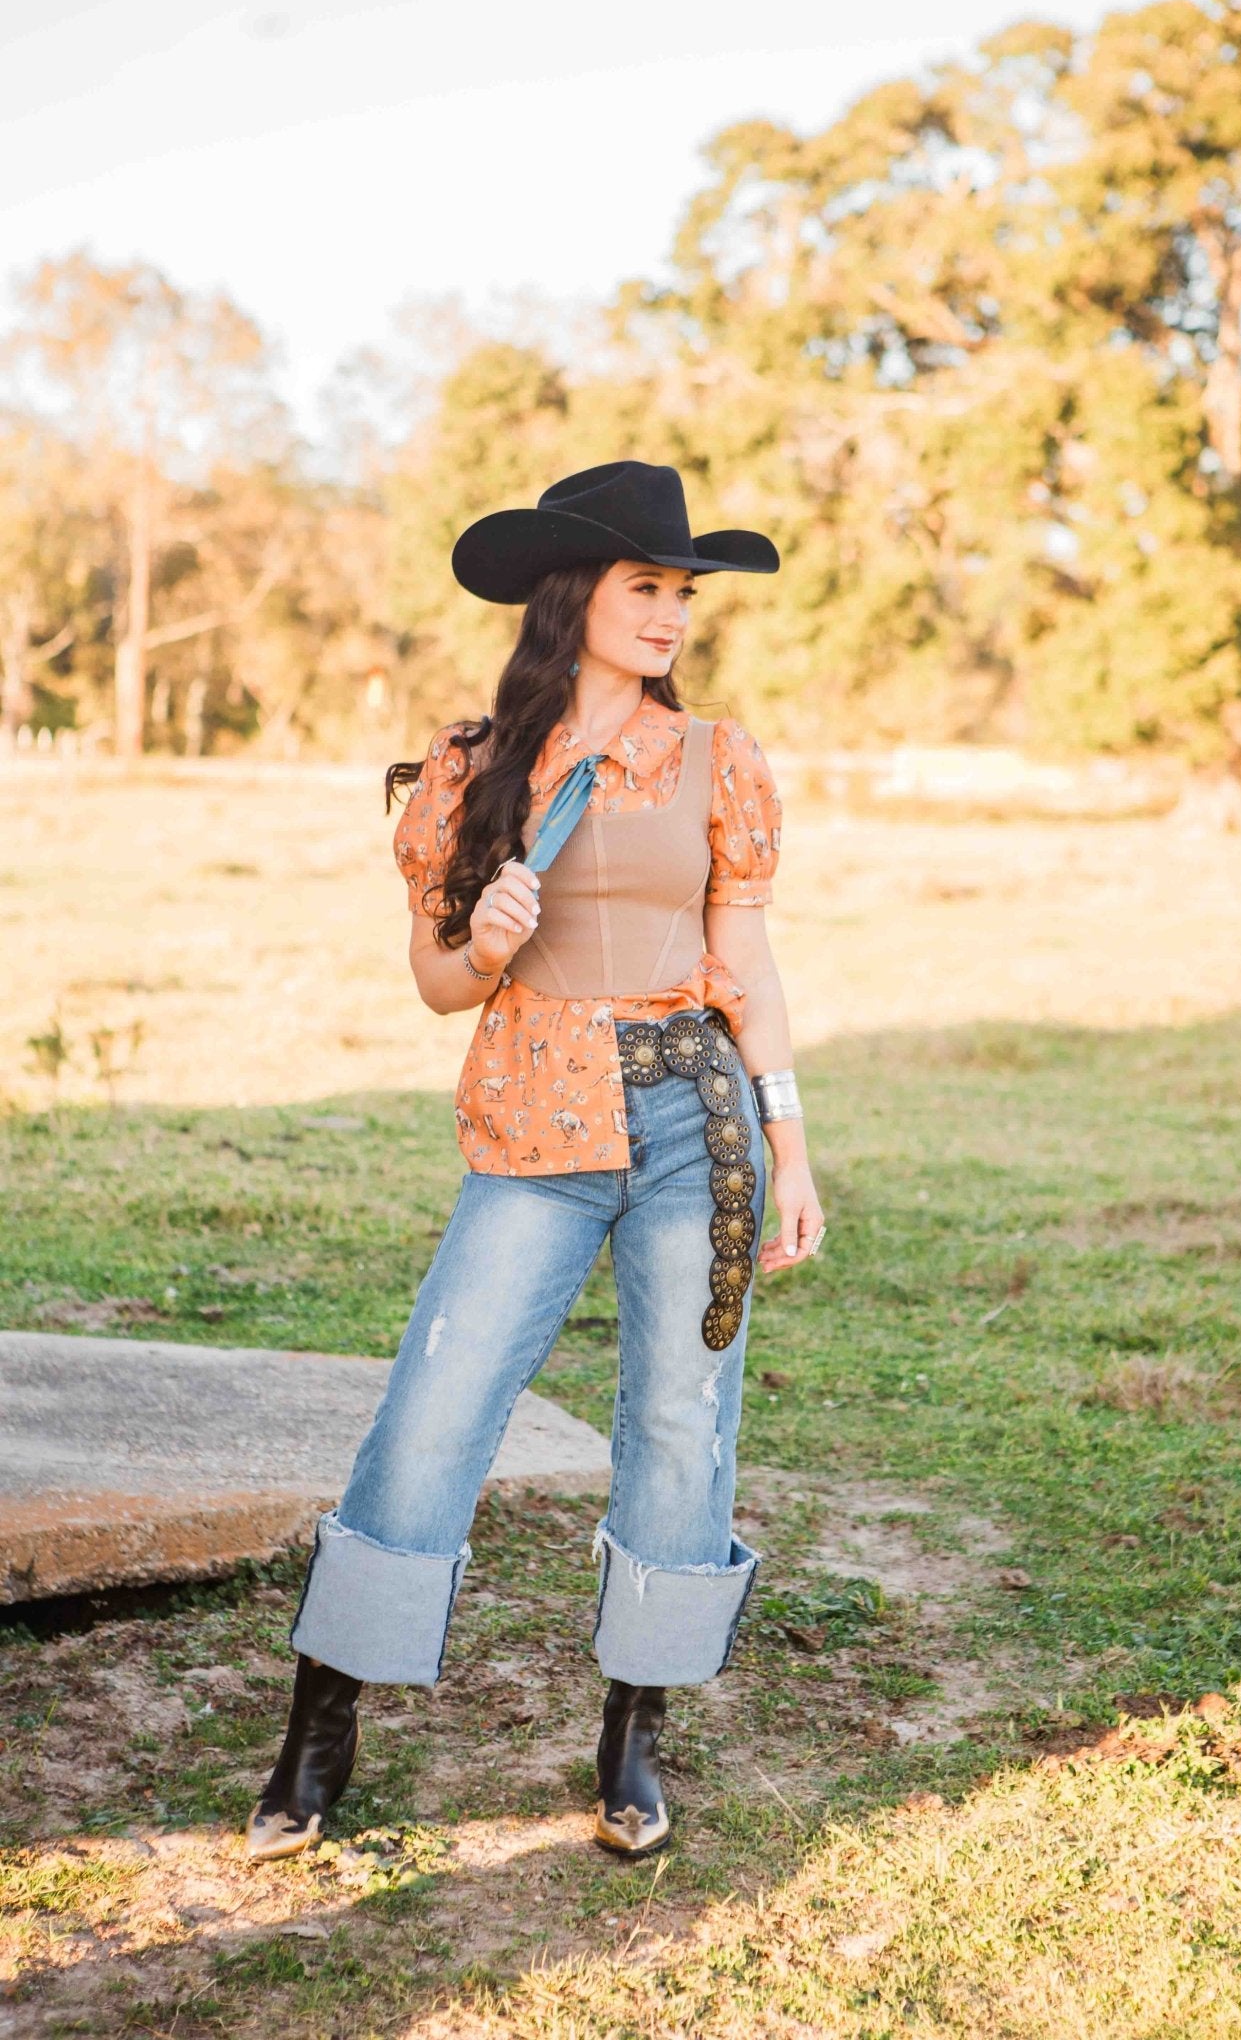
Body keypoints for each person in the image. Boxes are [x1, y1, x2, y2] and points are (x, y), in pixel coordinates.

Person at [245, 460, 826, 1864]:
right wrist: (489, 945)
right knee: (437, 1408)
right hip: (535, 1129)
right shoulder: (474, 767)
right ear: (573, 596)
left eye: (683, 592)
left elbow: (744, 962)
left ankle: (634, 1734)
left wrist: (792, 1142)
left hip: (696, 1127)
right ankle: (321, 1723)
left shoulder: (720, 759)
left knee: (682, 1423)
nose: (671, 613)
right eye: (646, 586)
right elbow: (439, 984)